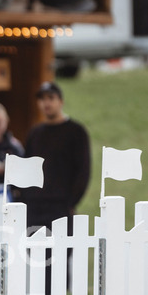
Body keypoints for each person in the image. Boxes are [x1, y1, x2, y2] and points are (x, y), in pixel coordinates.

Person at [19, 82, 91, 230]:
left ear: (61, 101)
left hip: (61, 206)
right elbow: (27, 168)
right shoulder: (35, 133)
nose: (46, 103)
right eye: (42, 99)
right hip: (34, 208)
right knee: (33, 251)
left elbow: (83, 170)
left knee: (62, 251)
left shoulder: (76, 132)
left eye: (51, 98)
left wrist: (71, 203)